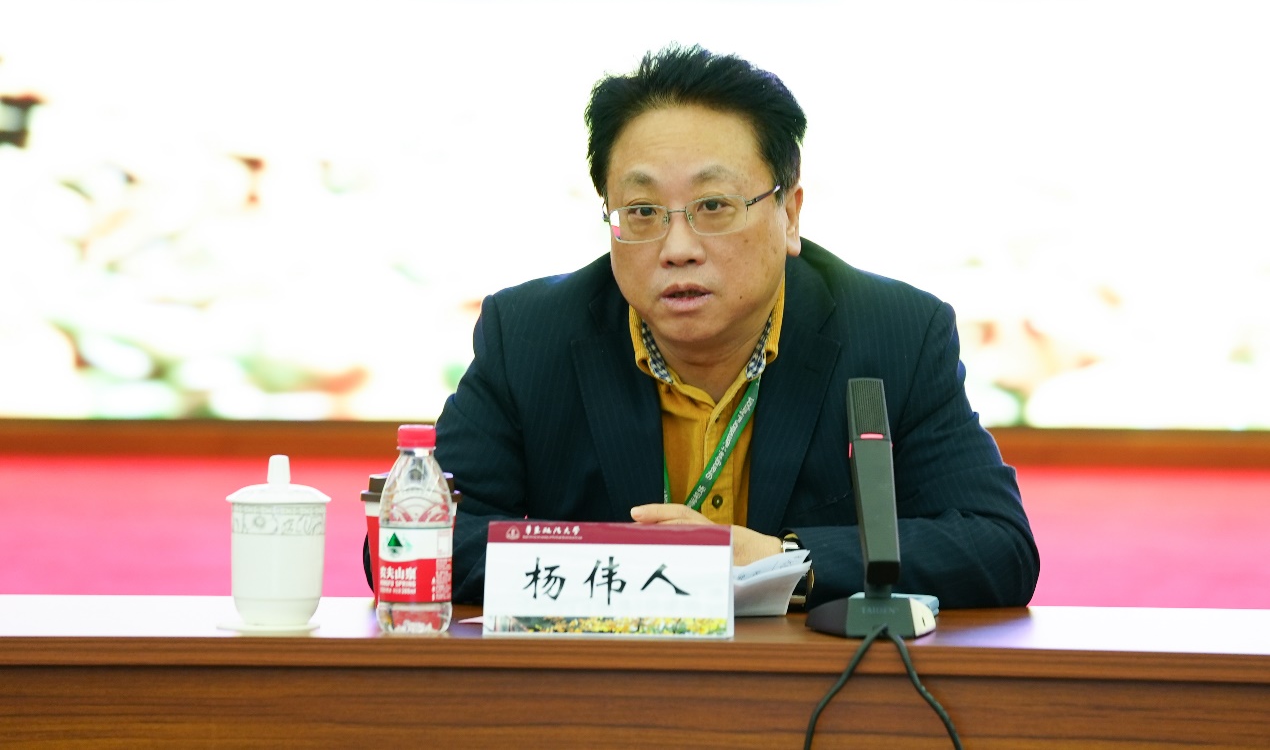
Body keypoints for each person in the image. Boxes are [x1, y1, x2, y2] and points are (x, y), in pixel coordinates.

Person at [420, 45, 1039, 611]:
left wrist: (781, 561)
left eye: (713, 206)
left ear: (789, 214)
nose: (678, 248)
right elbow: (418, 539)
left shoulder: (895, 332)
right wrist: (648, 568)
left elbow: (997, 545)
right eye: (643, 211)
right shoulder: (528, 336)